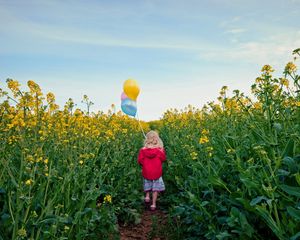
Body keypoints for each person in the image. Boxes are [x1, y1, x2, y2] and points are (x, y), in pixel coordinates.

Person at [138, 130, 166, 211]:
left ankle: (147, 196)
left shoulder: (142, 150)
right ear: (157, 139)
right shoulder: (160, 150)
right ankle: (153, 204)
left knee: (147, 185)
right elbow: (163, 159)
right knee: (155, 189)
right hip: (157, 172)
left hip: (147, 171)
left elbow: (140, 161)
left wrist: (145, 165)